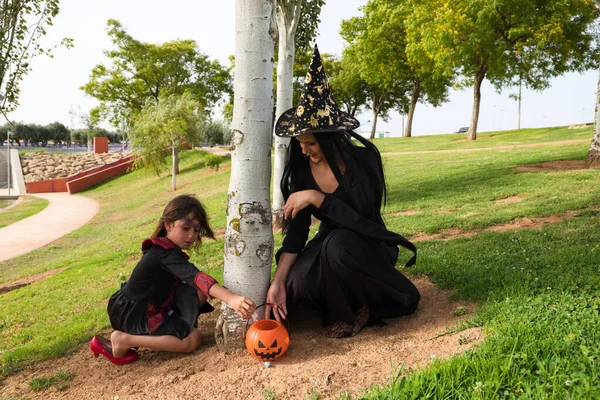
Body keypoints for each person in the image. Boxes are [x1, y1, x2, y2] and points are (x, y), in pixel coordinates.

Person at [265, 45, 420, 338]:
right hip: (329, 247)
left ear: (330, 139)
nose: (304, 150)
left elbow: (364, 216)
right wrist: (279, 279)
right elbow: (297, 233)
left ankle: (357, 309)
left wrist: (319, 199)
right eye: (299, 143)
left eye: (310, 143)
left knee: (338, 245)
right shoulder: (300, 171)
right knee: (297, 282)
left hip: (367, 243)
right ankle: (340, 295)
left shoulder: (364, 161)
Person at [90, 194, 256, 364]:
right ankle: (123, 340)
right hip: (134, 312)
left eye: (196, 230)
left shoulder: (166, 248)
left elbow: (194, 281)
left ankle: (172, 324)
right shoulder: (163, 253)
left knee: (199, 292)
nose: (191, 235)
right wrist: (231, 298)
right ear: (168, 225)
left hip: (153, 301)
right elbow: (196, 276)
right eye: (186, 228)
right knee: (192, 339)